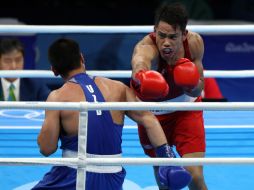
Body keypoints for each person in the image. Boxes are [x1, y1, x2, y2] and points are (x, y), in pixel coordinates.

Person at [32, 38, 192, 190]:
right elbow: (148, 119)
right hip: (112, 177)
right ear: (82, 58)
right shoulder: (117, 88)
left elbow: (47, 149)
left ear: (53, 70)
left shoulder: (58, 97)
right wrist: (167, 158)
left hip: (74, 175)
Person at [130, 3, 207, 190]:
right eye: (161, 35)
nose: (165, 42)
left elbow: (199, 87)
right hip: (153, 118)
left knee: (194, 175)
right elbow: (139, 63)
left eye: (172, 37)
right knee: (166, 178)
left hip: (186, 111)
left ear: (184, 34)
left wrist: (190, 84)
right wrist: (143, 78)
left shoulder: (194, 43)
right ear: (155, 30)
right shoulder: (146, 47)